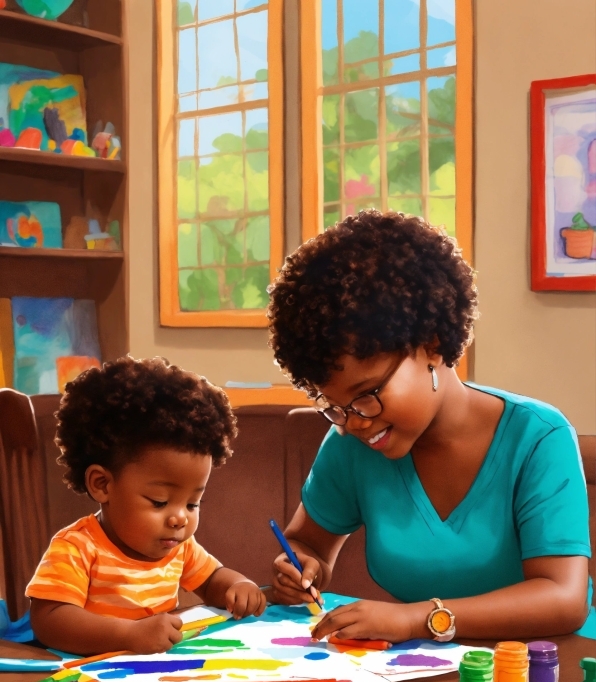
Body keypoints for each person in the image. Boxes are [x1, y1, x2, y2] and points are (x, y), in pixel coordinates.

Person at [267, 210, 592, 643]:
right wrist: (301, 568)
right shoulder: (350, 441)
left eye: (367, 393)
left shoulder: (538, 438)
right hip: (427, 676)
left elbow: (564, 598)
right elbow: (307, 546)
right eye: (336, 406)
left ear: (432, 344)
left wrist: (418, 619)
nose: (356, 421)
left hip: (549, 675)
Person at [27, 356, 266, 655]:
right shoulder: (77, 548)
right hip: (91, 681)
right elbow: (50, 620)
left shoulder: (179, 547)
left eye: (193, 503)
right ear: (102, 484)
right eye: (160, 502)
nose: (179, 518)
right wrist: (127, 634)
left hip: (154, 678)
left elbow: (213, 580)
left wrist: (238, 586)